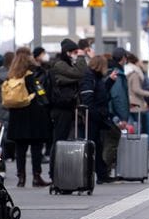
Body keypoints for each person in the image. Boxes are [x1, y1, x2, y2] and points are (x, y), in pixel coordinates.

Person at [6, 47, 52, 187]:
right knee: (36, 147)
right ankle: (36, 177)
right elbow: (39, 93)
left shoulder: (12, 73)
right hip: (34, 113)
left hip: (17, 113)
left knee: (20, 148)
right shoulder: (33, 72)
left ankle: (21, 178)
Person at [48, 39, 88, 178]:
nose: (76, 55)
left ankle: (62, 171)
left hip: (68, 107)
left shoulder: (66, 64)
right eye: (75, 52)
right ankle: (54, 171)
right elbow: (81, 73)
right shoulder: (60, 64)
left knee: (64, 140)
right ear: (68, 52)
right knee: (59, 140)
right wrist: (82, 57)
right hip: (61, 109)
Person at [80, 56, 117, 184]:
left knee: (98, 146)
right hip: (92, 119)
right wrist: (97, 114)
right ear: (101, 66)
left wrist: (110, 81)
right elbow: (88, 100)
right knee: (92, 147)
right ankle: (94, 175)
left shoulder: (96, 78)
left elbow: (101, 94)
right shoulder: (89, 78)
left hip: (97, 117)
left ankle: (102, 174)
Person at [103, 47, 130, 178]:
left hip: (106, 111)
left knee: (107, 141)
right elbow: (118, 97)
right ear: (123, 59)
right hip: (113, 114)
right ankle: (105, 173)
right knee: (112, 142)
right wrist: (122, 117)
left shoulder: (107, 71)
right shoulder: (117, 74)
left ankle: (104, 172)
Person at [32, 46, 52, 163]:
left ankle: (46, 152)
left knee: (48, 130)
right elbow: (39, 86)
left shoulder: (45, 68)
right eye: (43, 53)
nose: (45, 55)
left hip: (45, 103)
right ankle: (40, 155)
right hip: (40, 103)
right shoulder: (36, 70)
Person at [125, 53, 149, 128]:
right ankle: (136, 139)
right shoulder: (135, 74)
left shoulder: (125, 72)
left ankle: (130, 138)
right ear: (136, 62)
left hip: (127, 100)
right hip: (135, 102)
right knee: (138, 124)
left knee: (129, 123)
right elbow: (136, 89)